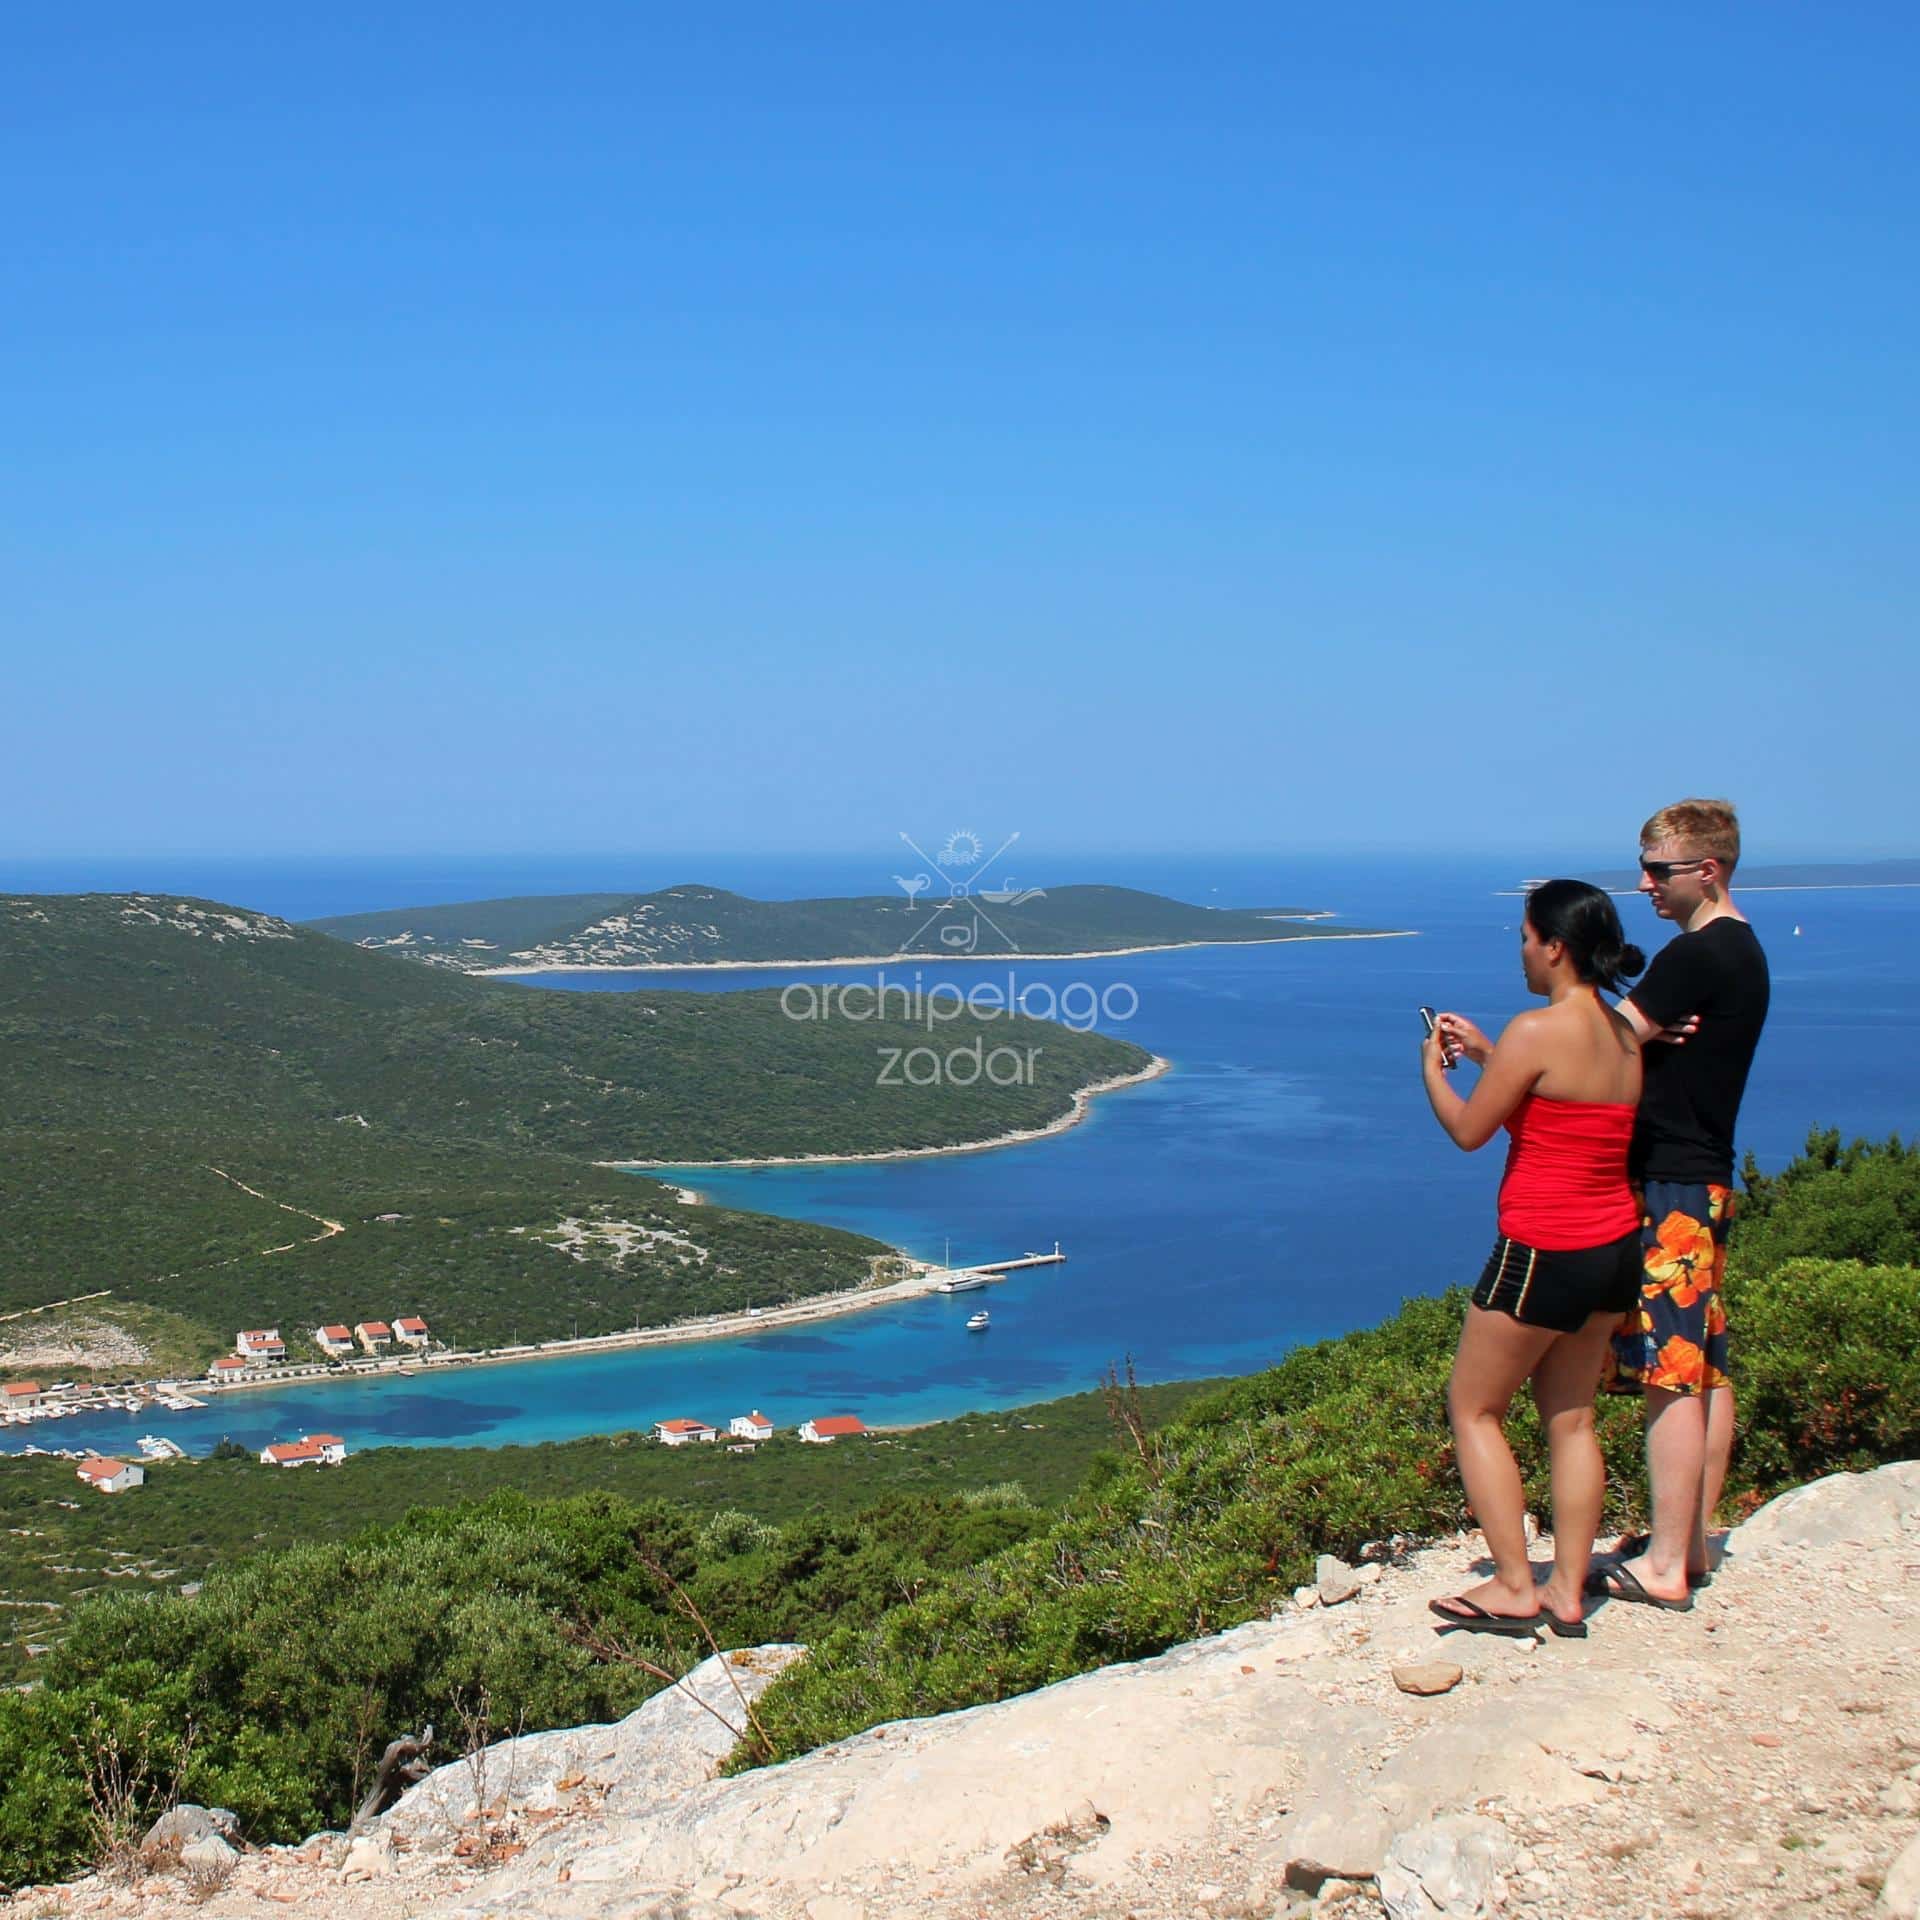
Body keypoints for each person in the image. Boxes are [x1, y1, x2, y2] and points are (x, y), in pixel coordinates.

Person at [1421, 880, 1647, 1637]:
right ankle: (1567, 1591)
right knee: (1572, 1417)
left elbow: (1468, 1131)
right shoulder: (1621, 1035)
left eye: (1524, 937)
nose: (1520, 950)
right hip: (1615, 1248)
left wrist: (1436, 1072)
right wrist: (1493, 1055)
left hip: (1542, 1249)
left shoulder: (1534, 1030)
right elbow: (1556, 1130)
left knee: (1474, 1406)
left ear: (1554, 945)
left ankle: (1515, 1584)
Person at [1593, 799, 1770, 1610]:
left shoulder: (1694, 956)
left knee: (1669, 1367)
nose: (1644, 885)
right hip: (1705, 1176)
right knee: (1704, 1360)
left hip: (1669, 1181)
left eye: (1658, 870)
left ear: (1709, 870)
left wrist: (1498, 1051)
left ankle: (1666, 1564)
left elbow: (1595, 1049)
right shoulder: (1743, 948)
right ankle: (1692, 1538)